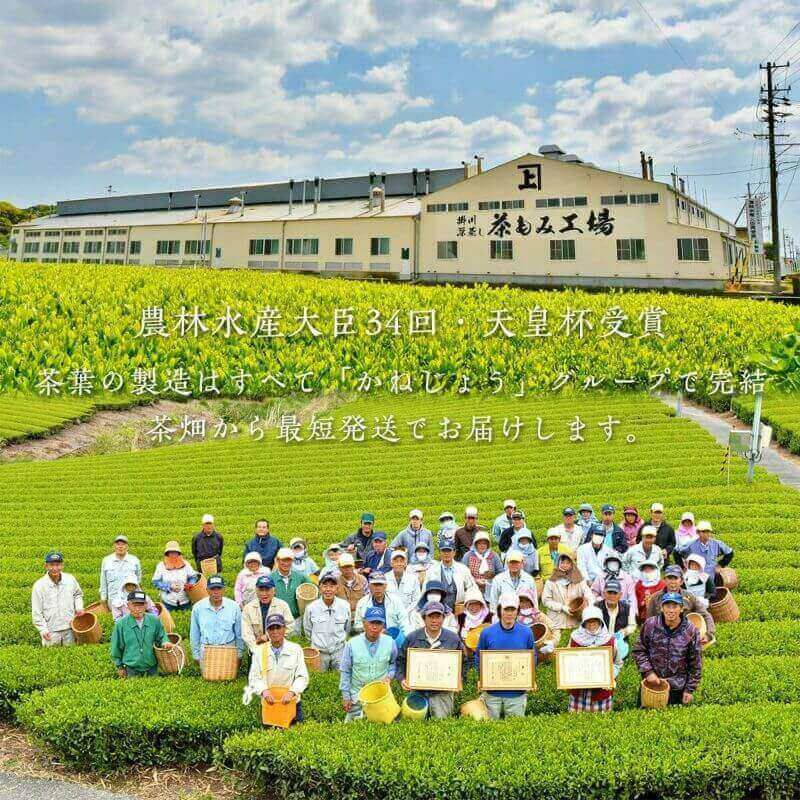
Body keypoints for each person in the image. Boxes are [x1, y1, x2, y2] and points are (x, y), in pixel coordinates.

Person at [398, 601, 467, 719]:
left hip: (442, 693)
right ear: (424, 618)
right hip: (418, 691)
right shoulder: (412, 638)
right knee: (414, 726)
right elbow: (401, 660)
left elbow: (463, 662)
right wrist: (402, 678)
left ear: (443, 618)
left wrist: (459, 678)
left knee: (441, 726)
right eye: (430, 616)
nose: (434, 620)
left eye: (438, 616)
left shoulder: (453, 639)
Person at [633, 592, 702, 706]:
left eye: (675, 606)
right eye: (667, 606)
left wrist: (689, 689)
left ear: (681, 609)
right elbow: (639, 650)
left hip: (676, 689)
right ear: (661, 608)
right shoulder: (651, 624)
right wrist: (648, 672)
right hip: (652, 684)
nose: (671, 610)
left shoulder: (690, 630)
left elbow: (696, 663)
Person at [475, 593, 536, 719]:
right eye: (506, 609)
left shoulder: (526, 632)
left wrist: (530, 677)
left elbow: (532, 657)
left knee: (515, 729)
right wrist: (481, 677)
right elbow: (479, 657)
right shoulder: (487, 633)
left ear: (517, 611)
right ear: (500, 610)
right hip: (492, 693)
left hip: (517, 693)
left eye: (512, 609)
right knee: (490, 728)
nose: (509, 613)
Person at [246, 614, 309, 724]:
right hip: (270, 705)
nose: (275, 631)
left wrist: (292, 692)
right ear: (267, 631)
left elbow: (302, 677)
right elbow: (254, 678)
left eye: (278, 627)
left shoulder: (295, 649)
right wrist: (264, 691)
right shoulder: (259, 651)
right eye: (271, 628)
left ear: (284, 629)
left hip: (292, 704)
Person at [339, 606, 398, 721]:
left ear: (383, 625)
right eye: (371, 622)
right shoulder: (352, 644)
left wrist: (390, 676)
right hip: (357, 698)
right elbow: (345, 671)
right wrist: (346, 697)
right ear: (364, 623)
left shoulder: (390, 643)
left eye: (378, 623)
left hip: (381, 698)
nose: (374, 627)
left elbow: (393, 663)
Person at [567, 606, 623, 712]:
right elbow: (567, 660)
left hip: (601, 693)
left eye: (595, 621)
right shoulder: (575, 638)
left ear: (600, 622)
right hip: (579, 692)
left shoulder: (609, 640)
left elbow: (618, 662)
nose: (592, 624)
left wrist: (611, 675)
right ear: (583, 623)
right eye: (588, 621)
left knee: (601, 725)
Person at [110, 590, 170, 678]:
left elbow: (161, 636)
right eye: (134, 605)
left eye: (141, 605)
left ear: (146, 605)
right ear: (128, 605)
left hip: (152, 666)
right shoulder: (121, 624)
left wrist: (165, 642)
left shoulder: (154, 620)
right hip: (131, 668)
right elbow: (116, 646)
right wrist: (119, 666)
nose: (138, 609)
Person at [646, 566, 716, 640]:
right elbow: (649, 621)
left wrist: (708, 634)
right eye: (669, 578)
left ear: (681, 581)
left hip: (687, 637)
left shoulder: (689, 596)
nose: (672, 581)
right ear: (665, 580)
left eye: (676, 578)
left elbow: (705, 615)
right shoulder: (655, 598)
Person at [189, 574, 243, 668]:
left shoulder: (234, 607)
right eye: (212, 589)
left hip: (228, 649)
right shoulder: (198, 608)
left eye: (219, 588)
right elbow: (194, 633)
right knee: (208, 680)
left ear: (224, 589)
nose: (216, 592)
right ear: (207, 590)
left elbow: (239, 633)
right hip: (206, 650)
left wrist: (239, 654)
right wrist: (196, 655)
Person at [32, 551, 84, 646]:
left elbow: (78, 594)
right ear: (46, 566)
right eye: (52, 565)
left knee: (71, 657)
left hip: (70, 629)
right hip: (51, 632)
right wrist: (43, 630)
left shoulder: (70, 579)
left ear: (62, 565)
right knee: (51, 658)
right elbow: (36, 612)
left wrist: (79, 607)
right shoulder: (39, 586)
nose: (55, 568)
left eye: (58, 565)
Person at [302, 572, 351, 670]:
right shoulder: (311, 608)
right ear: (320, 588)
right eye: (325, 586)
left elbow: (347, 627)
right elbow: (308, 630)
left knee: (340, 679)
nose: (328, 589)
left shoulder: (344, 606)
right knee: (319, 679)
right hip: (319, 652)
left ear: (337, 589)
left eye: (332, 586)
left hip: (339, 651)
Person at [541, 552, 594, 637]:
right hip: (557, 621)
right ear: (558, 563)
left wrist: (590, 607)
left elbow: (588, 594)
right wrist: (562, 607)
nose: (565, 565)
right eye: (562, 562)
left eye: (567, 563)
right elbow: (546, 600)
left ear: (572, 564)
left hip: (576, 621)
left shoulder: (579, 579)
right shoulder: (551, 581)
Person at [241, 575, 294, 651]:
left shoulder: (282, 605)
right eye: (261, 590)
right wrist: (255, 649)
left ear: (274, 591)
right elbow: (246, 633)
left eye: (267, 590)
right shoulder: (248, 608)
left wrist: (269, 637)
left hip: (278, 648)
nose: (264, 593)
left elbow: (290, 626)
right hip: (255, 649)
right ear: (256, 591)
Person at [353, 572, 409, 636]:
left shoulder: (396, 601)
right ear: (369, 586)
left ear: (385, 586)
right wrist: (372, 631)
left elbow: (404, 623)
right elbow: (357, 626)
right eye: (375, 585)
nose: (378, 588)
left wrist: (407, 639)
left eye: (380, 585)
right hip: (370, 638)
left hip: (393, 638)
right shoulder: (362, 603)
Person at [270, 548, 311, 633]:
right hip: (276, 619)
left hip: (295, 619)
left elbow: (311, 589)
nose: (286, 563)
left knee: (294, 642)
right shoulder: (270, 578)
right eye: (283, 560)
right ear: (277, 561)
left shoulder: (300, 577)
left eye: (289, 560)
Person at [425, 541, 475, 610]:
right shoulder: (431, 570)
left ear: (454, 552)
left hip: (458, 609)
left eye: (449, 551)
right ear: (439, 553)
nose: (446, 553)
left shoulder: (463, 569)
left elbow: (472, 588)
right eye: (443, 551)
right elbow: (425, 591)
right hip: (438, 609)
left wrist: (465, 602)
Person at [595, 579, 636, 658]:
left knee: (620, 657)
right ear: (604, 593)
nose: (612, 596)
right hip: (599, 643)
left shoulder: (627, 608)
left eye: (615, 593)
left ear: (620, 594)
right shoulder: (596, 608)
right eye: (609, 592)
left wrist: (624, 631)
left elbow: (632, 625)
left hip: (619, 644)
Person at [152, 541, 197, 612]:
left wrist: (190, 584)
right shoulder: (161, 566)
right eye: (171, 552)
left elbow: (193, 577)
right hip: (168, 602)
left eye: (175, 552)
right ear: (167, 553)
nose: (173, 554)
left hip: (185, 601)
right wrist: (169, 586)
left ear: (178, 553)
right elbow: (156, 582)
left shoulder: (186, 564)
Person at [99, 535, 141, 608]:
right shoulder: (106, 561)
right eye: (118, 544)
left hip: (131, 601)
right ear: (114, 546)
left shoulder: (134, 560)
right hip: (113, 601)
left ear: (127, 547)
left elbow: (138, 580)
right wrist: (103, 599)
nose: (120, 546)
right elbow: (103, 582)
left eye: (123, 544)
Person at [462, 531, 503, 601]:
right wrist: (475, 580)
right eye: (480, 543)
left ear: (488, 545)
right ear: (475, 544)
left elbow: (501, 573)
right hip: (472, 588)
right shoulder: (468, 555)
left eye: (484, 543)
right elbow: (463, 574)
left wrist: (491, 581)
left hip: (491, 588)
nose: (482, 545)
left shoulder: (494, 556)